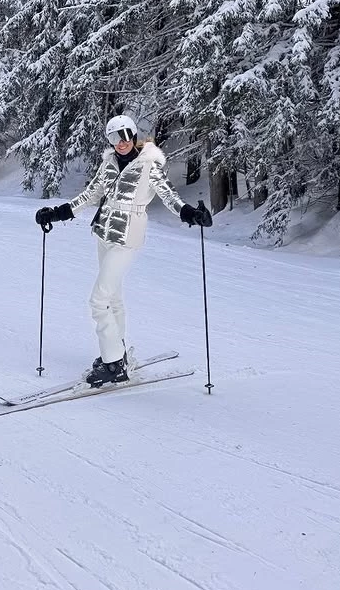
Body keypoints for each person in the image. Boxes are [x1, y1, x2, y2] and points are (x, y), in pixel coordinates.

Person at [35, 114, 212, 387]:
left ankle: (113, 364)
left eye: (124, 135)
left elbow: (168, 194)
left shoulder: (148, 165)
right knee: (113, 299)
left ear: (133, 135)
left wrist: (189, 213)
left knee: (98, 300)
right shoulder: (108, 163)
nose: (120, 142)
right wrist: (57, 213)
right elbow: (91, 194)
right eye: (114, 138)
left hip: (128, 236)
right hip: (104, 233)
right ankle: (116, 353)